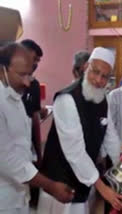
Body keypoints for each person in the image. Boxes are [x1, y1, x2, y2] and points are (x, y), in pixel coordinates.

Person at [38, 47, 122, 214]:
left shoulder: (102, 98)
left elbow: (111, 137)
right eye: (95, 72)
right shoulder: (67, 99)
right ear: (86, 67)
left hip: (83, 181)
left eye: (104, 76)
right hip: (59, 182)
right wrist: (102, 188)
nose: (98, 80)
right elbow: (75, 152)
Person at [0, 42, 74, 214]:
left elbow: (22, 142)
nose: (27, 82)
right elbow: (6, 158)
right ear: (3, 68)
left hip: (19, 194)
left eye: (30, 75)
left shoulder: (15, 96)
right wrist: (49, 185)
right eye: (22, 75)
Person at [20, 39, 43, 168]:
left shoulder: (34, 85)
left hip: (27, 146)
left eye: (37, 61)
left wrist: (39, 154)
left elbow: (35, 120)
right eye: (33, 59)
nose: (34, 64)